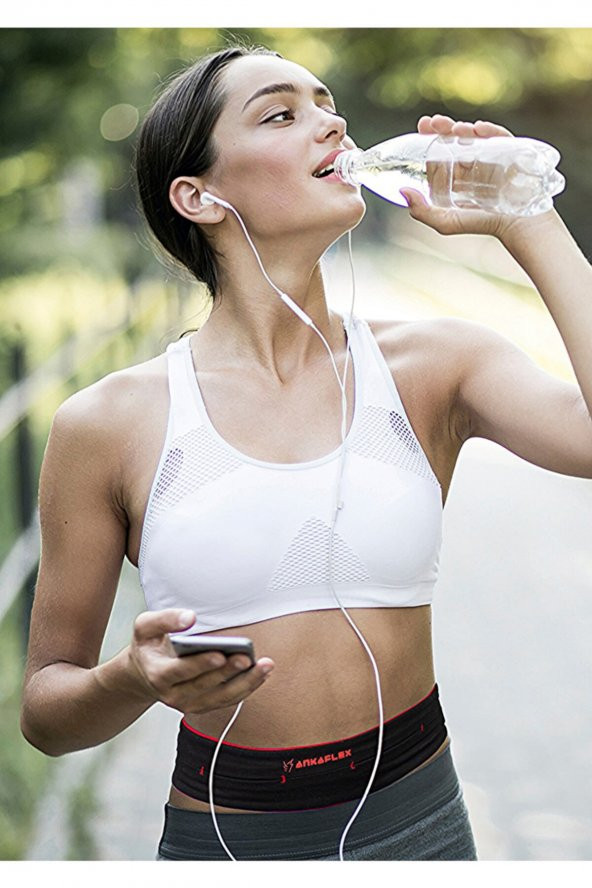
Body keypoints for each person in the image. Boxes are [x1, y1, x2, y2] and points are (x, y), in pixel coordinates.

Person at [20, 44, 592, 862]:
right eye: (282, 114)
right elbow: (46, 713)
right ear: (199, 195)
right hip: (224, 841)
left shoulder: (437, 365)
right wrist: (132, 680)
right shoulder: (107, 422)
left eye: (327, 104)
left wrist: (526, 218)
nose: (333, 123)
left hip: (424, 828)